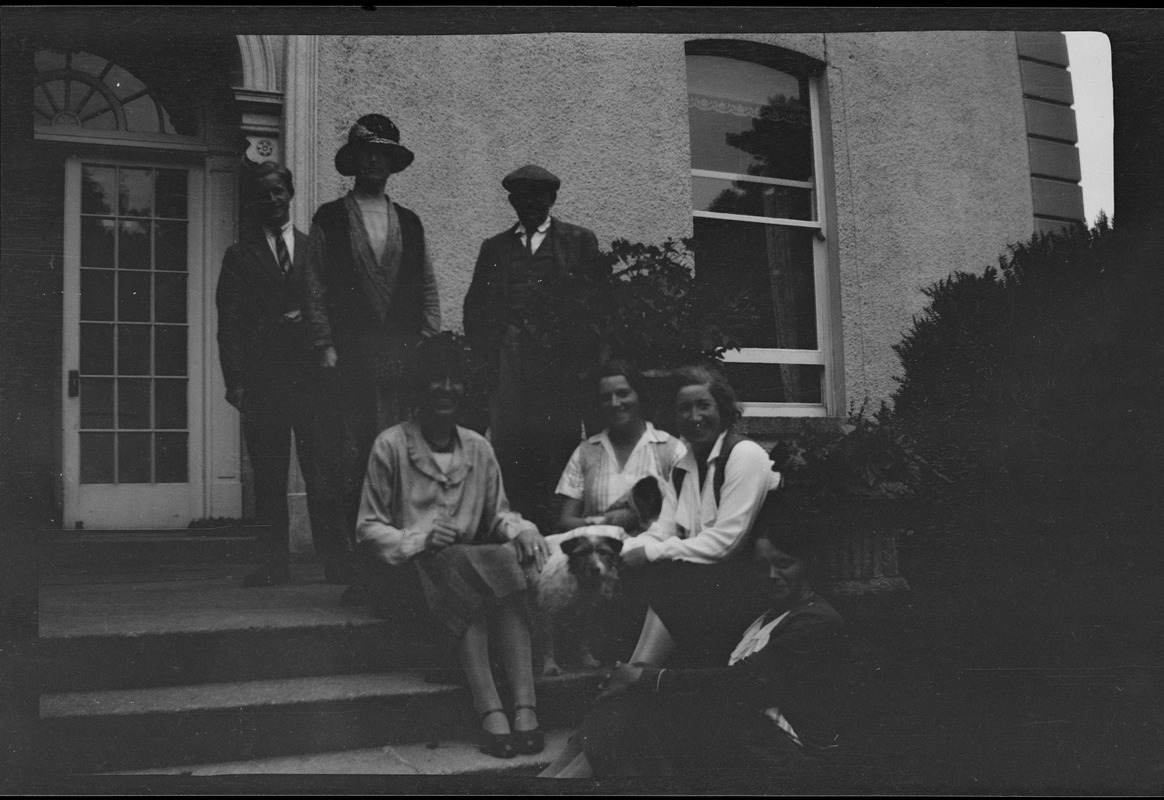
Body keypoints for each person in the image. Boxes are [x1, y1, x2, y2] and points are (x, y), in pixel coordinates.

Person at [355, 334, 551, 760]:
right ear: (418, 387)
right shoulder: (390, 444)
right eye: (435, 379)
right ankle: (489, 710)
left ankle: (525, 706)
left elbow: (498, 514)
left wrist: (522, 530)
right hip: (407, 576)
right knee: (459, 561)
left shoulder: (478, 448)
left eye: (455, 380)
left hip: (463, 570)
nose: (446, 388)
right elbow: (368, 528)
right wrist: (419, 538)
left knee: (499, 555)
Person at [558, 525, 849, 789]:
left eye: (784, 564)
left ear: (807, 564)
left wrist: (647, 678)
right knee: (619, 709)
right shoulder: (769, 614)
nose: (772, 576)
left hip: (787, 758)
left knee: (629, 715)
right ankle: (548, 781)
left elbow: (743, 681)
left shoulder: (817, 620)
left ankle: (548, 785)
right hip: (746, 738)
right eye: (763, 566)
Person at [302, 113, 441, 599]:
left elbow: (426, 287)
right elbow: (315, 287)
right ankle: (360, 570)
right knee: (352, 460)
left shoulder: (410, 222)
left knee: (400, 460)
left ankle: (400, 569)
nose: (375, 161)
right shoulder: (329, 218)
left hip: (401, 362)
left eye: (384, 153)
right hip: (350, 361)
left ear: (393, 163)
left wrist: (429, 345)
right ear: (355, 161)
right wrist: (324, 345)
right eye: (368, 153)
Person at [462, 165, 606, 531]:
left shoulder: (579, 240)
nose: (529, 203)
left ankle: (555, 530)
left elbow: (599, 304)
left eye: (538, 196)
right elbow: (475, 308)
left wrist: (582, 358)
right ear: (512, 201)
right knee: (509, 443)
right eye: (521, 197)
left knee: (557, 441)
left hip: (559, 362)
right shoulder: (494, 247)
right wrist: (486, 356)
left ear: (551, 199)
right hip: (508, 358)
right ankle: (515, 529)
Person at [216, 161, 335, 587]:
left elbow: (331, 305)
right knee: (269, 474)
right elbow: (229, 321)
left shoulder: (314, 245)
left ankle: (335, 560)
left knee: (320, 469)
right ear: (255, 200)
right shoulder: (239, 255)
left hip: (311, 381)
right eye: (263, 193)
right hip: (264, 380)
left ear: (290, 194)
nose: (272, 200)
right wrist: (236, 382)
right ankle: (273, 565)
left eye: (278, 192)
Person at [621, 364, 782, 668]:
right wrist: (624, 551)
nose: (694, 417)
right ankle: (637, 670)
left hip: (749, 586)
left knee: (665, 574)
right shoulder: (684, 466)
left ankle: (638, 672)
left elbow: (725, 543)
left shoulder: (744, 456)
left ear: (722, 409)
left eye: (703, 406)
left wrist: (651, 552)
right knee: (639, 575)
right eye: (684, 408)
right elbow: (663, 530)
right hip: (705, 586)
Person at [555, 361, 685, 534]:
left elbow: (686, 517)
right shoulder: (586, 452)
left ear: (639, 396)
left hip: (653, 552)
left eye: (623, 394)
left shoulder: (670, 449)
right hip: (599, 553)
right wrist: (605, 523)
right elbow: (565, 521)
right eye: (606, 397)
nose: (615, 403)